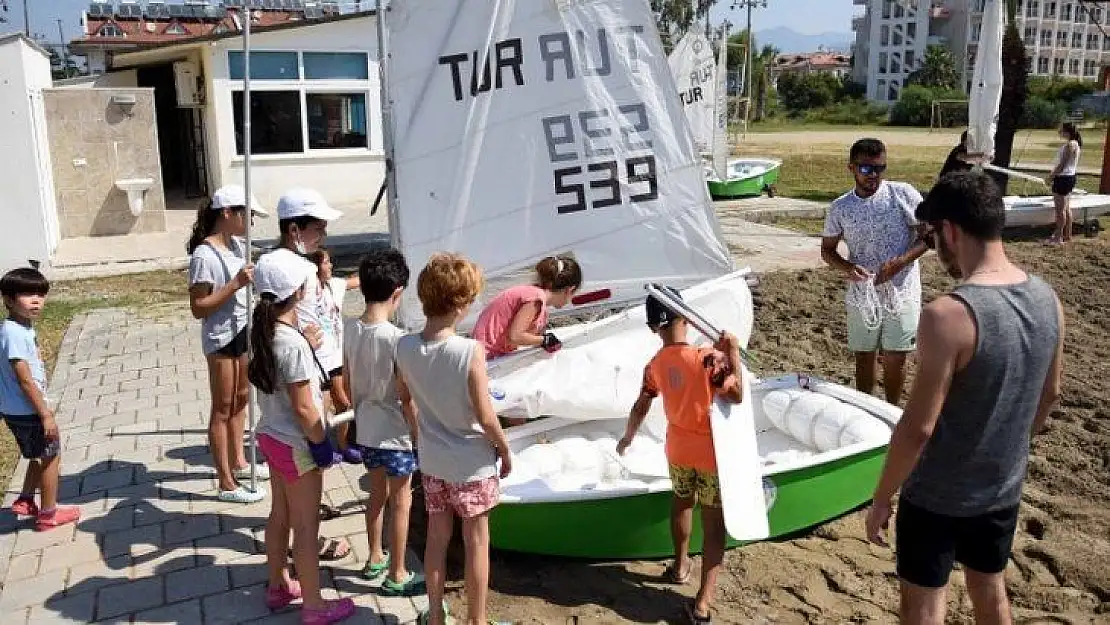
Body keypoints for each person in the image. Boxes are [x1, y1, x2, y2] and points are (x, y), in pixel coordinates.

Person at [865, 170, 1065, 625]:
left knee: (923, 605)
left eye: (935, 236)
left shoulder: (947, 315)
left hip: (937, 495)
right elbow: (1050, 395)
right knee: (990, 591)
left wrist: (881, 497)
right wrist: (1005, 446)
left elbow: (918, 428)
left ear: (951, 231)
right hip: (1002, 486)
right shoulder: (1048, 299)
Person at [394, 253, 513, 625]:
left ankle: (434, 616)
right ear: (460, 303)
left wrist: (419, 435)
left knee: (436, 539)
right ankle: (476, 620)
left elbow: (404, 398)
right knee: (477, 542)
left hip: (433, 460)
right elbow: (485, 414)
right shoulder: (468, 351)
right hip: (471, 461)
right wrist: (504, 448)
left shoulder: (404, 346)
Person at [616, 286, 744, 625]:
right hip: (711, 452)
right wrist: (733, 353)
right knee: (714, 525)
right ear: (685, 317)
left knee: (682, 503)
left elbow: (641, 405)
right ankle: (702, 603)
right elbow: (737, 395)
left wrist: (627, 437)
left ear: (653, 328)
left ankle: (680, 564)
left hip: (678, 449)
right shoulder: (709, 357)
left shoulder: (655, 364)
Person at [248, 252, 355, 625]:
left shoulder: (267, 332)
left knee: (279, 515)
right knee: (307, 527)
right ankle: (314, 606)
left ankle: (278, 586)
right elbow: (306, 409)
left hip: (272, 438)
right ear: (297, 291)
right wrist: (322, 445)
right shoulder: (290, 345)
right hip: (298, 445)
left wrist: (305, 342)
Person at [264, 187, 351, 561]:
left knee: (292, 491)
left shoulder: (295, 266)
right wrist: (333, 381)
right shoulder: (289, 272)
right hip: (308, 381)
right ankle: (307, 548)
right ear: (295, 229)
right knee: (303, 476)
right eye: (318, 227)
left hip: (312, 375)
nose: (324, 236)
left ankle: (301, 536)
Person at [821, 138, 930, 405]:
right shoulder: (841, 207)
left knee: (896, 356)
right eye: (867, 169)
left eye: (880, 169)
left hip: (901, 290)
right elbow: (828, 250)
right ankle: (866, 409)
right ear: (851, 168)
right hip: (863, 293)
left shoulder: (902, 194)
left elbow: (929, 236)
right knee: (864, 355)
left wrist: (900, 262)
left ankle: (892, 410)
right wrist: (848, 268)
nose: (874, 176)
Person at [341, 247, 423, 595]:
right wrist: (419, 433)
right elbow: (406, 396)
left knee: (375, 496)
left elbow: (344, 381)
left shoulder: (350, 330)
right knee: (401, 502)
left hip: (367, 428)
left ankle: (374, 555)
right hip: (396, 434)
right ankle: (398, 571)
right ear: (398, 292)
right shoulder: (397, 339)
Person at [187, 185, 270, 503]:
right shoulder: (204, 256)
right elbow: (199, 308)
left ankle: (239, 461)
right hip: (220, 337)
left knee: (240, 399)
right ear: (227, 213)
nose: (250, 221)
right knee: (222, 408)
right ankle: (225, 482)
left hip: (242, 330)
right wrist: (236, 284)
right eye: (246, 214)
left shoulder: (237, 246)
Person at [0, 268, 81, 531]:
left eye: (40, 294)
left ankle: (25, 500)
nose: (36, 300)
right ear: (8, 300)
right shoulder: (13, 333)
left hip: (17, 409)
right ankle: (48, 514)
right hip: (28, 410)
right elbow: (24, 379)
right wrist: (45, 414)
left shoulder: (18, 328)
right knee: (51, 454)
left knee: (37, 453)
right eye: (27, 294)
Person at [472, 254, 583, 359]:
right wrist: (544, 340)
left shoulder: (538, 299)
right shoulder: (535, 299)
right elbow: (515, 336)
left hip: (488, 353)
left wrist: (543, 338)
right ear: (570, 290)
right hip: (485, 356)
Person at [306, 247, 360, 464]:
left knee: (344, 402)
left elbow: (356, 282)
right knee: (323, 404)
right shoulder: (306, 291)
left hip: (336, 356)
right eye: (326, 262)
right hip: (318, 358)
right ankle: (323, 446)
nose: (330, 266)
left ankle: (344, 444)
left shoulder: (334, 285)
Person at [1044, 122, 1083, 245]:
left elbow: (1063, 164)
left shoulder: (1071, 144)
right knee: (1066, 208)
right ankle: (1067, 235)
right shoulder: (1074, 143)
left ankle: (1058, 238)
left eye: (1061, 130)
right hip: (1068, 178)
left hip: (1063, 179)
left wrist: (1051, 177)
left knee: (1060, 210)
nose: (1059, 132)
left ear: (1067, 131)